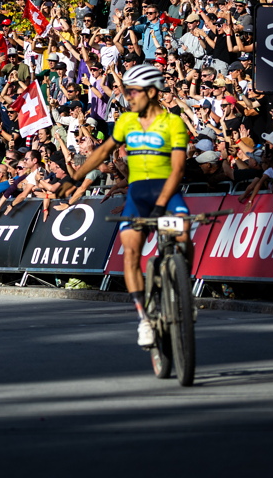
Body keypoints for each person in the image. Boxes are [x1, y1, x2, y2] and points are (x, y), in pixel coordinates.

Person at [64, 64, 191, 348]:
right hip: (138, 196)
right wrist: (75, 177)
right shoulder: (126, 122)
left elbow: (179, 169)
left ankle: (184, 294)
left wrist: (161, 205)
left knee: (184, 234)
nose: (129, 96)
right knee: (131, 251)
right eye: (127, 91)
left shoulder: (173, 123)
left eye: (134, 91)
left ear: (152, 92)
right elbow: (103, 152)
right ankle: (144, 319)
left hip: (167, 193)